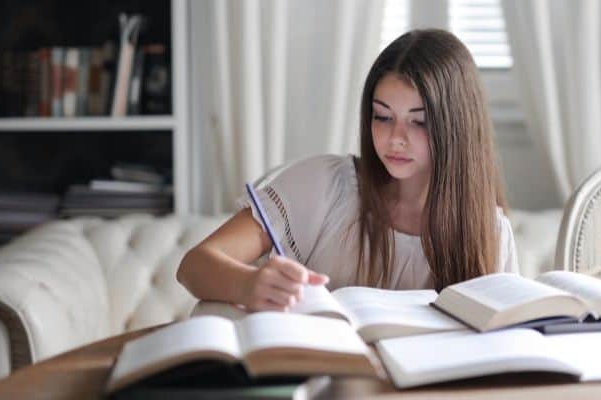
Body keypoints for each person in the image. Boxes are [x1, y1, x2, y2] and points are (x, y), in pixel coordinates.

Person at [177, 29, 518, 312]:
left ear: (455, 127)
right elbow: (194, 266)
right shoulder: (324, 185)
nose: (395, 139)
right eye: (382, 116)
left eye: (419, 122)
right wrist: (248, 284)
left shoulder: (488, 231)